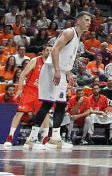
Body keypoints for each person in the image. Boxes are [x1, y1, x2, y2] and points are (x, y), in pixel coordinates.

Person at [26, 11, 92, 150]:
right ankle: (31, 139)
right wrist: (57, 70)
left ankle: (55, 138)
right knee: (48, 104)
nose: (89, 22)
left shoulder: (78, 36)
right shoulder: (69, 32)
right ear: (78, 21)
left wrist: (67, 72)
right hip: (52, 70)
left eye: (90, 20)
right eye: (86, 20)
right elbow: (55, 50)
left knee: (62, 104)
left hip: (61, 71)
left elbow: (65, 56)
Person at [12, 47, 51, 147]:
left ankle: (44, 139)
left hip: (42, 92)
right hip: (30, 90)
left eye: (51, 51)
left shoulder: (52, 63)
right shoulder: (35, 60)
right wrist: (20, 89)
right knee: (19, 113)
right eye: (47, 50)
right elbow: (23, 74)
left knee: (45, 114)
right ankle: (10, 137)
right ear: (43, 51)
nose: (49, 52)